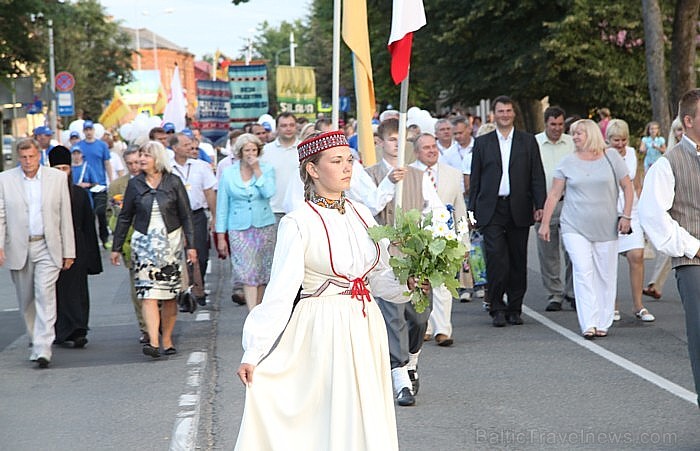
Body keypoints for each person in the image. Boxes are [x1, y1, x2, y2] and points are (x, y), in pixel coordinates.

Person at [234, 130, 400, 450]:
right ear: (313, 169)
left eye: (349, 160)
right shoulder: (298, 222)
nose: (347, 167)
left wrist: (409, 286)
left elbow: (378, 278)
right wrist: (254, 350)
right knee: (327, 417)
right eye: (336, 161)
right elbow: (280, 294)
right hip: (323, 327)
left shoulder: (363, 214)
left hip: (366, 326)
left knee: (366, 413)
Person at [365, 121, 443, 406]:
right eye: (392, 139)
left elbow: (433, 208)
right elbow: (369, 207)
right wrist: (389, 182)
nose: (398, 145)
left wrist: (435, 235)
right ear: (382, 143)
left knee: (419, 317)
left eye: (402, 140)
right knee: (393, 317)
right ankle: (399, 378)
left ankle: (412, 359)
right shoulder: (368, 175)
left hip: (416, 255)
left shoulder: (419, 175)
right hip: (386, 259)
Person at [539, 119, 633, 339]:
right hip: (574, 225)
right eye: (573, 133)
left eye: (579, 133)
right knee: (583, 271)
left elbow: (628, 187)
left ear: (591, 133)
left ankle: (603, 320)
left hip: (606, 225)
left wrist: (626, 216)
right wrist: (545, 223)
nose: (575, 137)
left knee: (605, 274)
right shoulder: (567, 162)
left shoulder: (611, 158)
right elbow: (554, 194)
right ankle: (588, 322)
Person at [639, 88, 700, 407]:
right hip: (694, 265)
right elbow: (651, 213)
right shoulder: (668, 163)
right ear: (688, 121)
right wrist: (693, 247)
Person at [110, 141, 196, 358]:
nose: (140, 160)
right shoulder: (135, 184)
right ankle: (153, 340)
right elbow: (125, 216)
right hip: (144, 245)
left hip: (171, 244)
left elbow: (186, 215)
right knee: (147, 294)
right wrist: (116, 246)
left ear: (157, 158)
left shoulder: (173, 182)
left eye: (145, 156)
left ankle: (167, 339)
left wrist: (192, 246)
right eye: (140, 157)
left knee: (168, 296)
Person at [469, 95, 546, 327]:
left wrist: (539, 204)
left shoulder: (527, 141)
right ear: (494, 114)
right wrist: (472, 212)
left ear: (514, 114)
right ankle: (497, 307)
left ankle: (515, 307)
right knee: (496, 260)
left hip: (519, 206)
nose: (505, 115)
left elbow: (536, 175)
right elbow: (476, 179)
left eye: (508, 111)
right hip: (491, 208)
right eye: (501, 111)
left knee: (517, 260)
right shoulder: (483, 143)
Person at [0, 138, 75, 368]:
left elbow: (65, 215)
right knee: (26, 300)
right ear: (17, 157)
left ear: (39, 156)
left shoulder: (56, 178)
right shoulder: (5, 180)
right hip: (19, 246)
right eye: (23, 157)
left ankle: (44, 346)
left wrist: (68, 250)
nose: (28, 161)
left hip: (48, 245)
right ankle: (35, 339)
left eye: (32, 156)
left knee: (44, 293)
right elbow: (1, 215)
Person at [410, 133, 466, 345]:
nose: (432, 150)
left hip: (445, 236)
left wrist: (463, 240)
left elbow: (459, 208)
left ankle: (443, 330)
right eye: (426, 148)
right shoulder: (408, 173)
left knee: (443, 284)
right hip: (417, 236)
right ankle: (425, 325)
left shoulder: (452, 173)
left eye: (434, 146)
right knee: (420, 283)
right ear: (416, 152)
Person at [48, 145, 103, 348]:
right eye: (57, 169)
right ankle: (61, 330)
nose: (61, 173)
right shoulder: (45, 194)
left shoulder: (79, 194)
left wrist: (92, 260)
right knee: (56, 289)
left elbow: (89, 227)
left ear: (70, 169)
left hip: (77, 248)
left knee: (78, 289)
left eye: (65, 168)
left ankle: (79, 328)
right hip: (52, 247)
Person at [215, 133, 275, 310]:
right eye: (247, 150)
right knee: (247, 272)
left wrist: (257, 170)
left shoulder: (267, 169)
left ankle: (260, 308)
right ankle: (252, 312)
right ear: (240, 152)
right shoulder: (228, 173)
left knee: (263, 271)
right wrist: (220, 236)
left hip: (263, 225)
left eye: (254, 150)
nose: (250, 154)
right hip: (239, 228)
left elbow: (269, 192)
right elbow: (222, 206)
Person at [606, 119, 654, 322]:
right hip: (608, 210)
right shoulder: (602, 155)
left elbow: (636, 183)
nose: (620, 144)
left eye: (623, 139)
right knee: (608, 260)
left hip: (631, 210)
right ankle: (611, 305)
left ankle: (638, 305)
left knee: (637, 255)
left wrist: (642, 211)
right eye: (616, 140)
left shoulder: (633, 154)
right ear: (608, 139)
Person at [534, 106, 575, 312]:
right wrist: (535, 204)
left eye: (560, 124)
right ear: (546, 124)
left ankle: (572, 291)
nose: (557, 129)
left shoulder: (572, 143)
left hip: (570, 203)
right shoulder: (535, 143)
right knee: (548, 252)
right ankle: (554, 293)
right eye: (553, 125)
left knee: (573, 250)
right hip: (544, 204)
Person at [108, 147, 148, 343]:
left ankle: (160, 324)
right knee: (137, 287)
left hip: (153, 241)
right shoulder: (118, 186)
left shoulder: (153, 180)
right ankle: (145, 327)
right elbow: (110, 213)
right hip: (130, 244)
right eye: (130, 163)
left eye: (136, 162)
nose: (134, 167)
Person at [643, 118, 683, 300]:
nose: (680, 133)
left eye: (682, 129)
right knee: (672, 243)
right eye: (677, 130)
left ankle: (655, 283)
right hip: (677, 207)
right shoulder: (670, 155)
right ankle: (655, 284)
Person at [170, 132, 217, 285]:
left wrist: (214, 216)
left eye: (190, 144)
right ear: (175, 148)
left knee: (201, 254)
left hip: (196, 216)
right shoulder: (167, 168)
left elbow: (209, 193)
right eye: (185, 145)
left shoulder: (201, 167)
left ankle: (198, 285)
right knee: (179, 254)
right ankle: (185, 289)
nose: (190, 148)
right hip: (174, 217)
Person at [76, 120, 113, 248]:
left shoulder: (102, 145)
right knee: (88, 214)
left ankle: (105, 238)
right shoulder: (79, 146)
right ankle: (89, 240)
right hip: (85, 184)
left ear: (94, 130)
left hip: (99, 183)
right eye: (86, 130)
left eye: (90, 129)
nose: (88, 132)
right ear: (83, 131)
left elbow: (107, 163)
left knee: (101, 212)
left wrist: (110, 180)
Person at [259, 112, 299, 227]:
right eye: (284, 125)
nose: (288, 128)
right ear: (276, 128)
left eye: (291, 125)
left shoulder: (305, 150)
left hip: (299, 209)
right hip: (273, 210)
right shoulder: (265, 151)